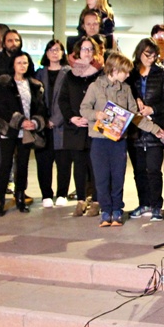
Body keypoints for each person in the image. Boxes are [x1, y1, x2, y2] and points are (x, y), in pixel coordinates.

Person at [80, 52, 164, 227]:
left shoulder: (125, 89)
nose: (127, 75)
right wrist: (97, 115)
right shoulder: (95, 87)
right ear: (114, 69)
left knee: (118, 176)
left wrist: (155, 129)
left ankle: (117, 210)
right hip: (99, 140)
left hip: (119, 141)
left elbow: (135, 116)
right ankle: (105, 211)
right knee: (102, 177)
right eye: (125, 72)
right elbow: (83, 109)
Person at [0, 51, 46, 216]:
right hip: (9, 129)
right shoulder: (3, 83)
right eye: (19, 63)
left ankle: (20, 197)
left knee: (23, 165)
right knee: (5, 164)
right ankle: (0, 200)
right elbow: (1, 107)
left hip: (27, 131)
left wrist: (35, 122)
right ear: (13, 65)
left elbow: (40, 107)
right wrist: (20, 120)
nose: (23, 66)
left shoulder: (35, 85)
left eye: (25, 63)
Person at [127, 38, 164, 221]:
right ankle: (143, 203)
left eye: (154, 55)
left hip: (156, 126)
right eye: (148, 54)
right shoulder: (131, 73)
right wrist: (135, 103)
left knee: (154, 169)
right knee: (139, 169)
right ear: (140, 52)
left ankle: (156, 205)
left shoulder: (162, 73)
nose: (151, 58)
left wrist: (152, 109)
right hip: (135, 126)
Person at [60, 35, 103, 210]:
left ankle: (97, 200)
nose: (87, 53)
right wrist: (72, 117)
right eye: (84, 49)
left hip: (95, 126)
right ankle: (80, 199)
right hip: (75, 128)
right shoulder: (70, 75)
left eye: (90, 49)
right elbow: (62, 100)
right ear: (77, 52)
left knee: (95, 164)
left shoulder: (101, 74)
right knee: (79, 165)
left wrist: (92, 115)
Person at [35, 39, 71, 207]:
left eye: (58, 49)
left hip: (62, 125)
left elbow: (69, 100)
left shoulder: (69, 73)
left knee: (63, 161)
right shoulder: (39, 74)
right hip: (42, 126)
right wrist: (43, 121)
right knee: (43, 161)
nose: (54, 52)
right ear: (46, 53)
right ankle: (46, 195)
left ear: (63, 53)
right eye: (51, 49)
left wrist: (55, 120)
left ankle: (62, 193)